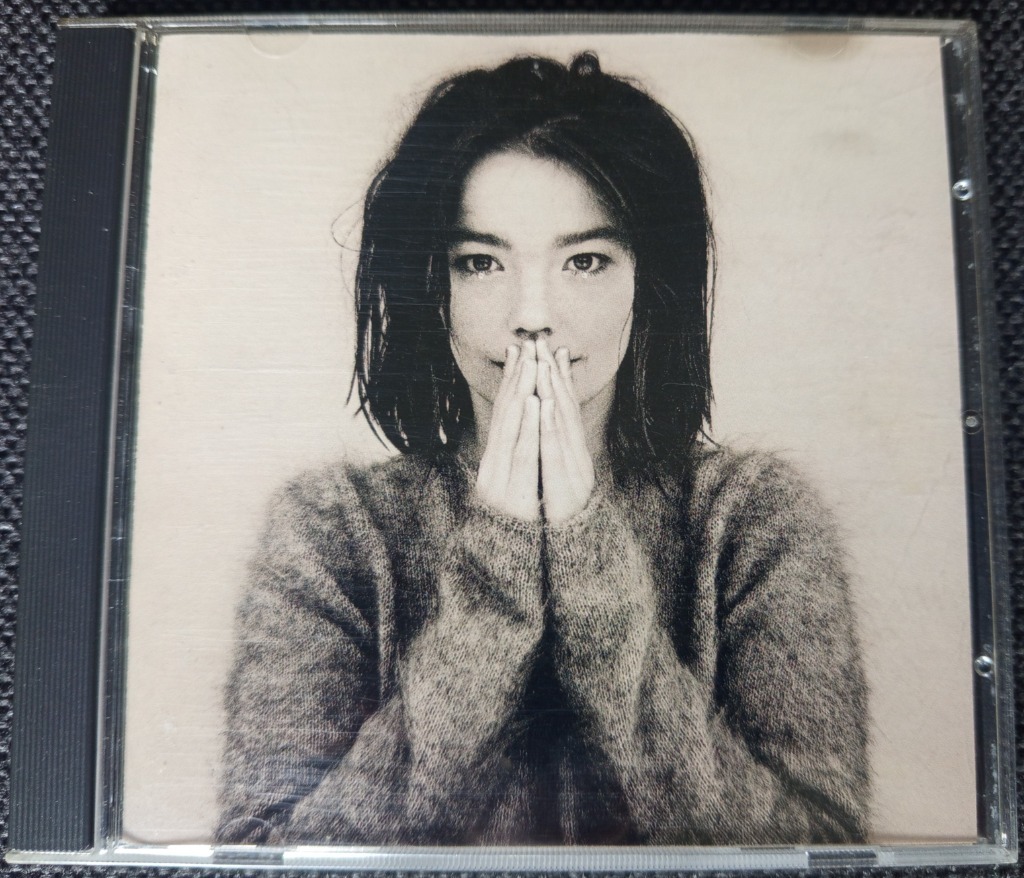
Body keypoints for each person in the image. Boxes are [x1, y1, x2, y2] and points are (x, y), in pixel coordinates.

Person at [216, 52, 870, 847]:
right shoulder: (331, 531)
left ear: (647, 284)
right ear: (432, 287)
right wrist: (494, 576)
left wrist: (592, 567)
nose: (533, 314)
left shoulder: (754, 520)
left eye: (585, 261)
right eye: (480, 263)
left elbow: (826, 849)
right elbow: (265, 852)